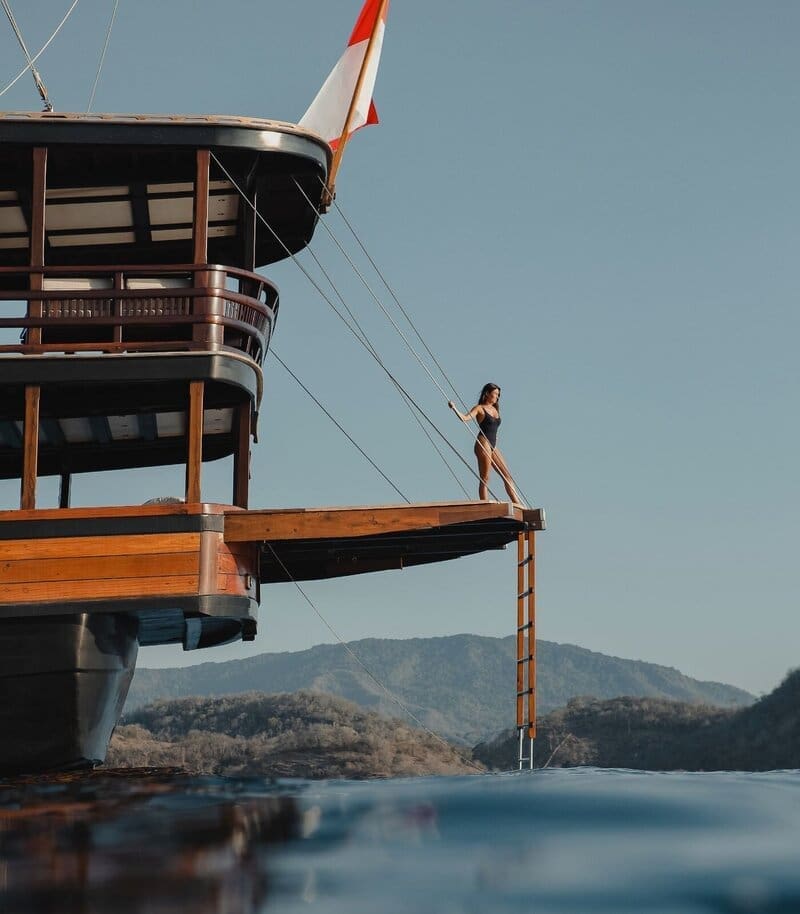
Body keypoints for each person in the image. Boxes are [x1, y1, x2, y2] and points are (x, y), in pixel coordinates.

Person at [448, 383, 520, 503]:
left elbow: (495, 429)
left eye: (498, 395)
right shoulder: (479, 408)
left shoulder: (495, 409)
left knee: (507, 476)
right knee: (485, 478)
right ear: (487, 394)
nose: (497, 397)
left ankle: (518, 504)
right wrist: (454, 408)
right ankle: (485, 504)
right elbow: (465, 418)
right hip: (483, 443)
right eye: (495, 394)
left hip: (493, 445)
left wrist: (496, 439)